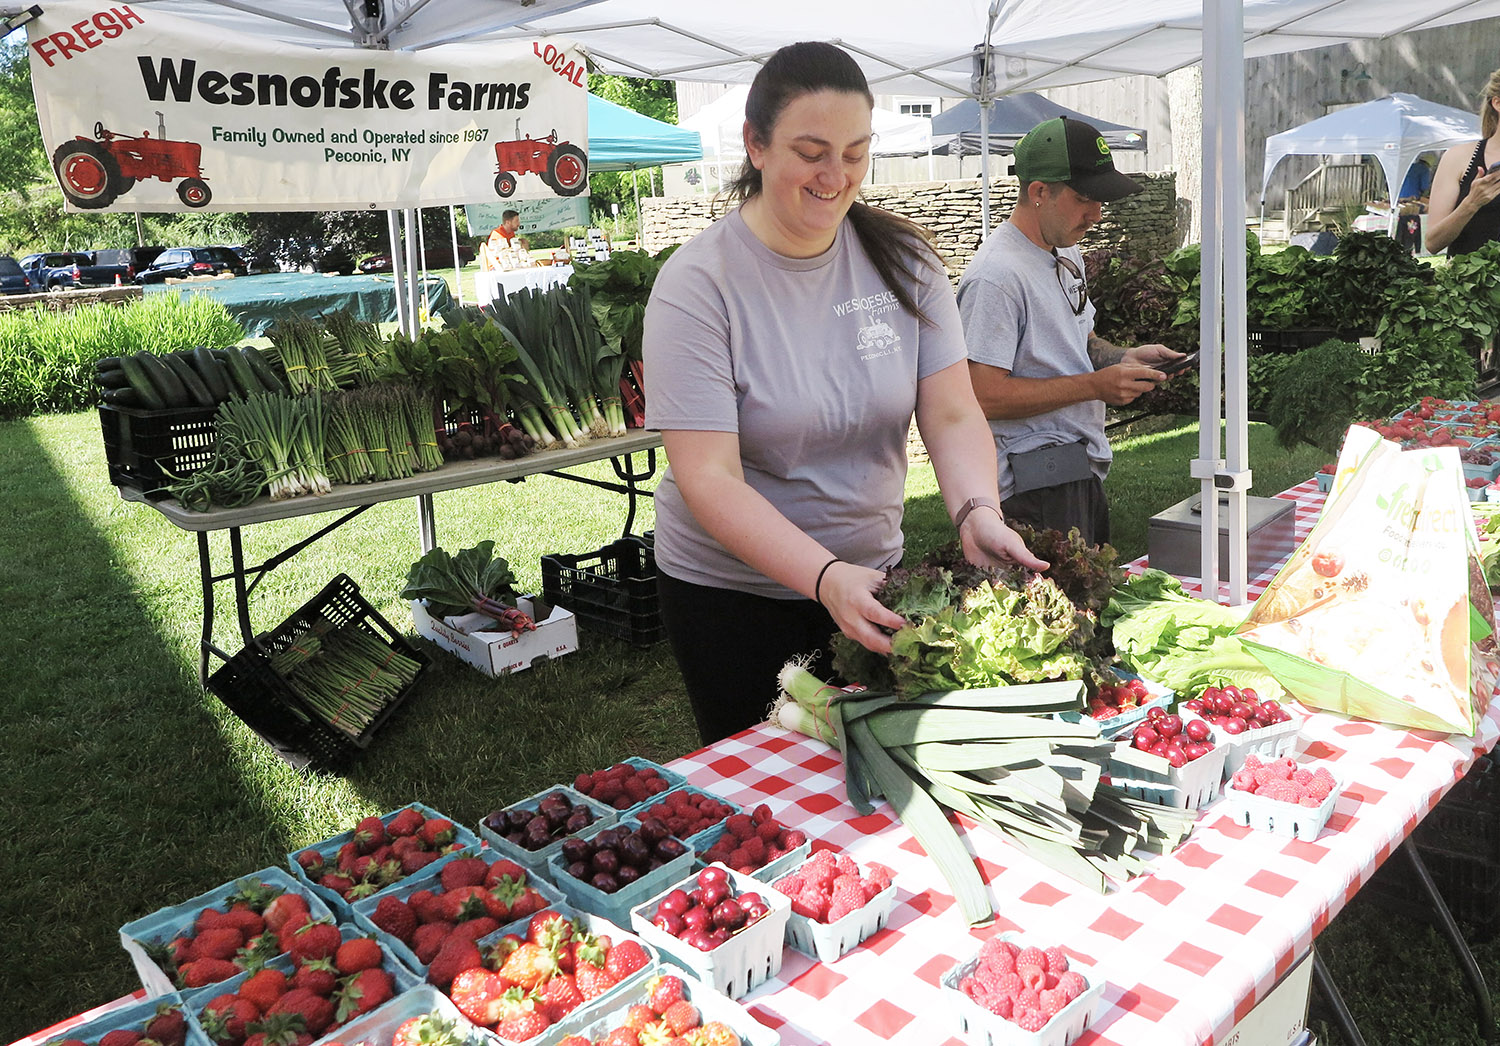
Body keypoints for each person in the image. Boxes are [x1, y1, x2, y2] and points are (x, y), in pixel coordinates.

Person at [643, 41, 1046, 745]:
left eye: (857, 152)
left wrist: (976, 509)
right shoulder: (696, 285)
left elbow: (951, 411)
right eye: (813, 151)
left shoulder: (904, 261)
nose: (837, 175)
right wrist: (822, 576)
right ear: (755, 145)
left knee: (872, 777)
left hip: (871, 577)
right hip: (733, 599)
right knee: (764, 788)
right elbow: (708, 478)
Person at [956, 117, 1183, 547]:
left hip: (1076, 469)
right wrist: (1095, 386)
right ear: (1040, 192)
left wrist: (1125, 358)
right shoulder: (996, 277)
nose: (1096, 215)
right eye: (1084, 199)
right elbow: (982, 395)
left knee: (1092, 605)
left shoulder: (1066, 251)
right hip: (1029, 488)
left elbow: (1080, 342)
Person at [1427, 70, 1500, 255]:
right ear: (1497, 103)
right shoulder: (1458, 158)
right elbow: (1432, 243)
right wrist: (1471, 203)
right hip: (1470, 282)